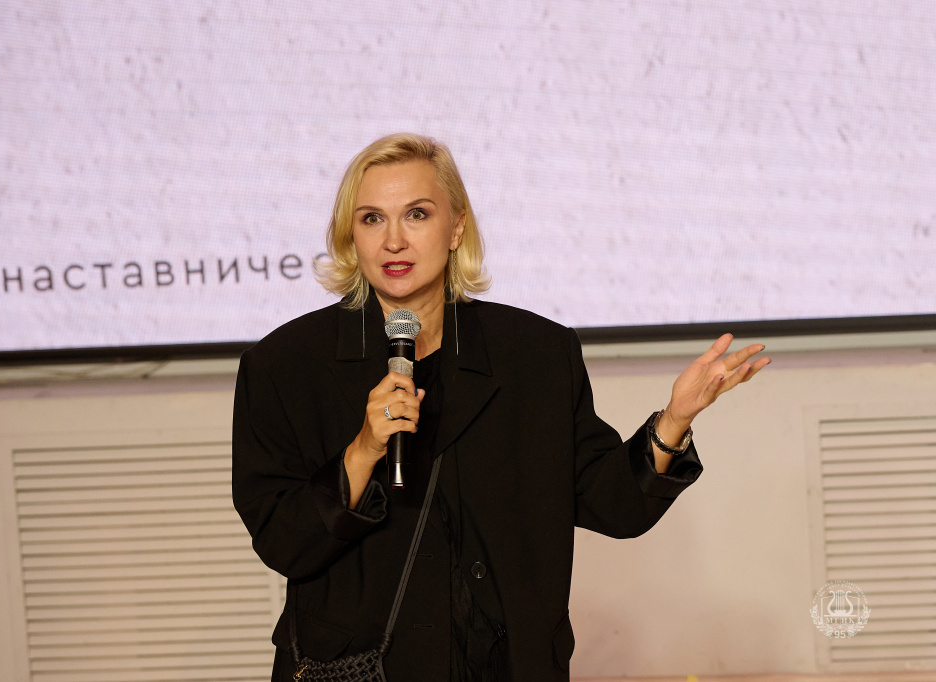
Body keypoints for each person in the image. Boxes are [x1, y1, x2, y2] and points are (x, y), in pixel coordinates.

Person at [232, 133, 769, 681]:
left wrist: (675, 419)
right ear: (351, 235)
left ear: (456, 227)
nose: (393, 240)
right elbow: (283, 541)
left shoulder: (535, 353)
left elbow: (613, 505)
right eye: (372, 219)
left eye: (416, 214)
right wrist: (364, 451)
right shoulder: (284, 366)